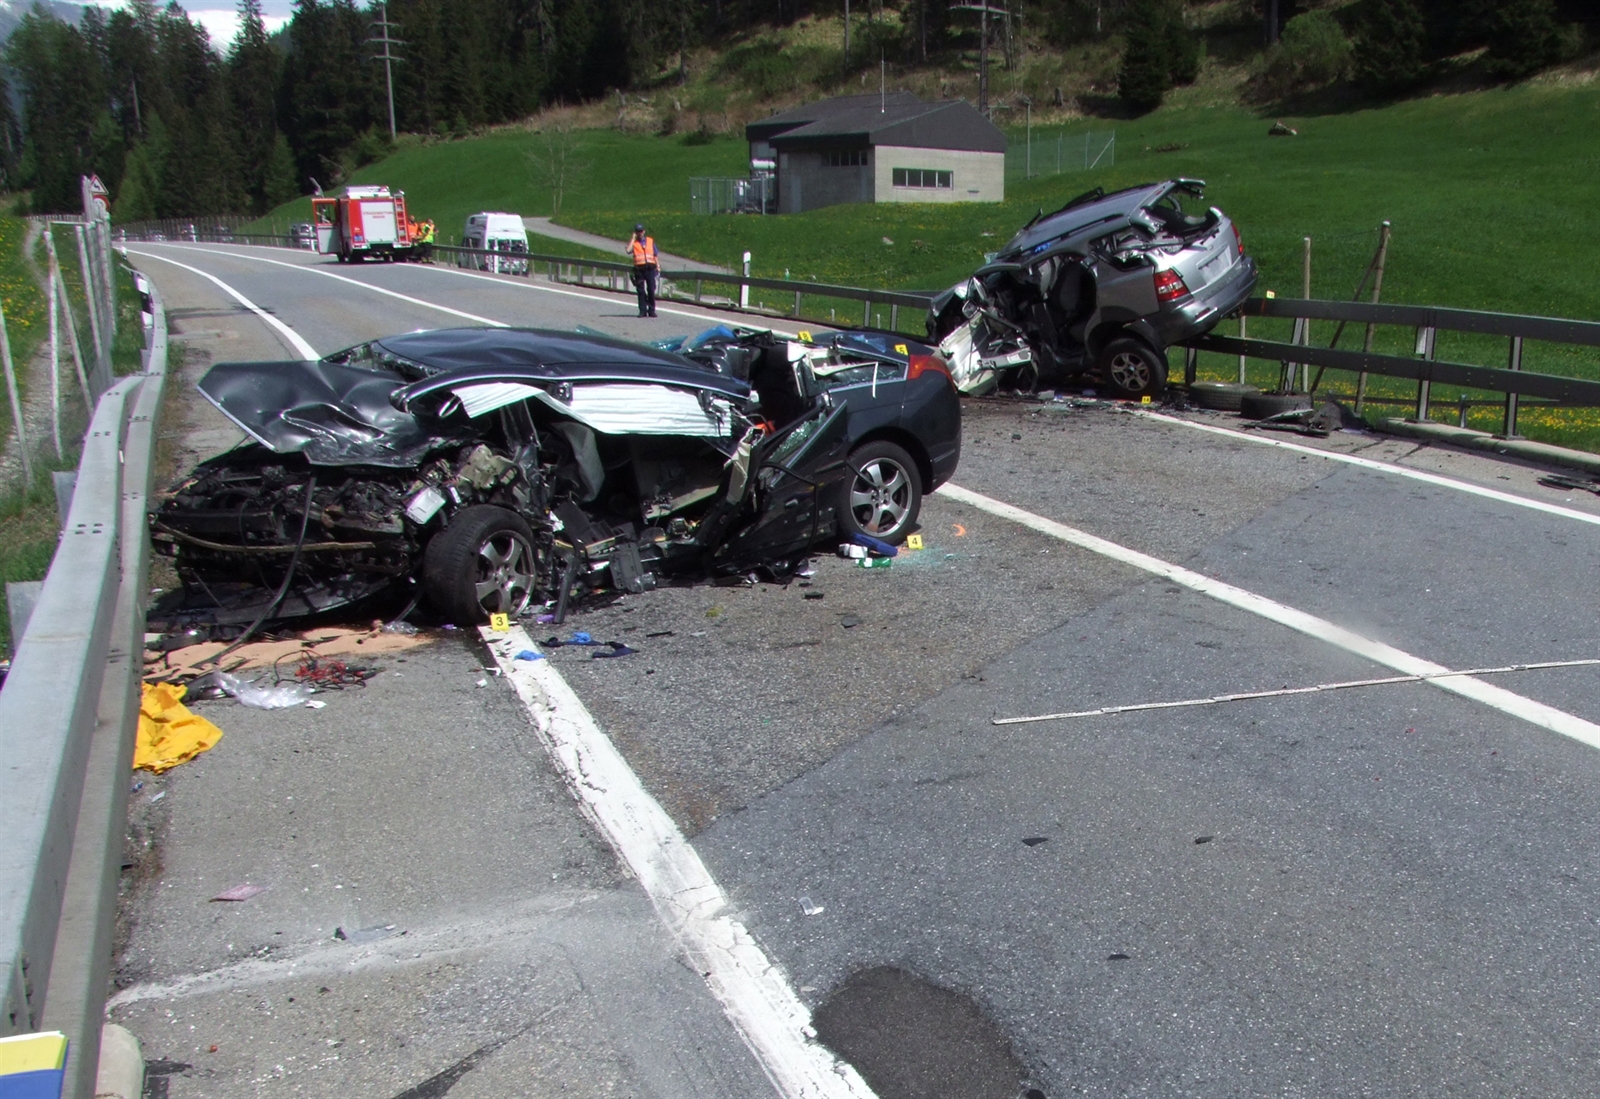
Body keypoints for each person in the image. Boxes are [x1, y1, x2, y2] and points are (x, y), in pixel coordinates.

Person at [626, 223, 658, 317]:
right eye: (637, 231)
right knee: (640, 291)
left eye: (640, 231)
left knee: (651, 289)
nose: (639, 233)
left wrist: (658, 266)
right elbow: (628, 250)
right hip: (639, 269)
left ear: (644, 231)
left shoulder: (650, 241)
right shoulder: (634, 243)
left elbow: (655, 255)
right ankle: (642, 310)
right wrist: (633, 239)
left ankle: (651, 310)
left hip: (650, 268)